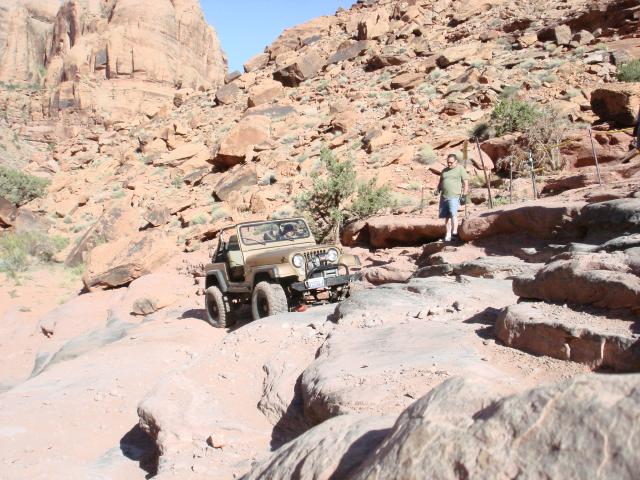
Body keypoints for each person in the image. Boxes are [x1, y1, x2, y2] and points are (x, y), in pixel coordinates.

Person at [437, 153, 469, 242]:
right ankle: (448, 235)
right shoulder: (444, 170)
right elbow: (441, 182)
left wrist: (464, 195)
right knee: (446, 217)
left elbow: (466, 183)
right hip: (444, 197)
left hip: (454, 196)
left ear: (456, 161)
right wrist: (438, 189)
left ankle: (454, 233)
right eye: (448, 162)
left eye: (451, 162)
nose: (449, 164)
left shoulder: (460, 169)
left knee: (453, 214)